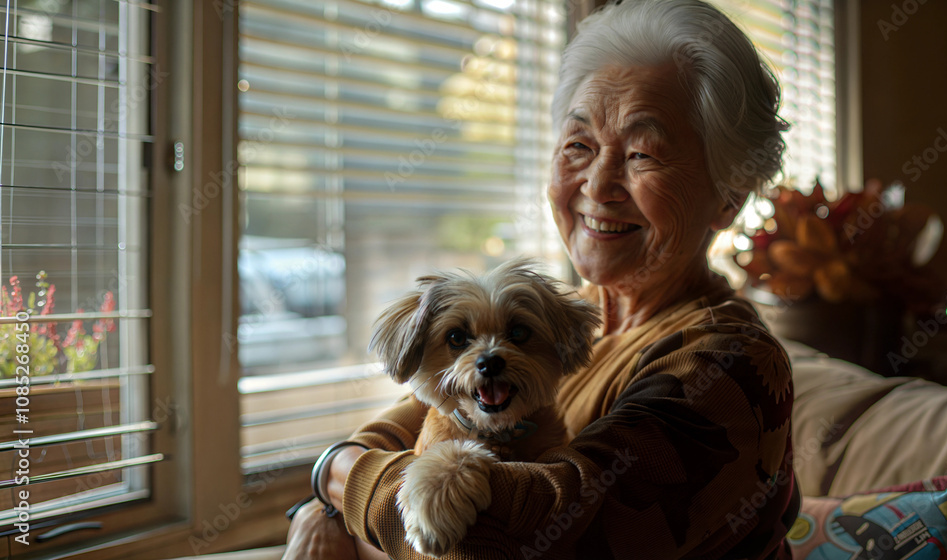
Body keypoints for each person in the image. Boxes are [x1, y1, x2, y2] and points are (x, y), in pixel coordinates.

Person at [284, 0, 799, 557]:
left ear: (729, 196)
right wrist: (326, 497)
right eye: (579, 145)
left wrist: (334, 481)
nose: (598, 185)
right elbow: (413, 418)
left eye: (643, 154)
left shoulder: (728, 363)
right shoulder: (548, 323)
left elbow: (495, 542)